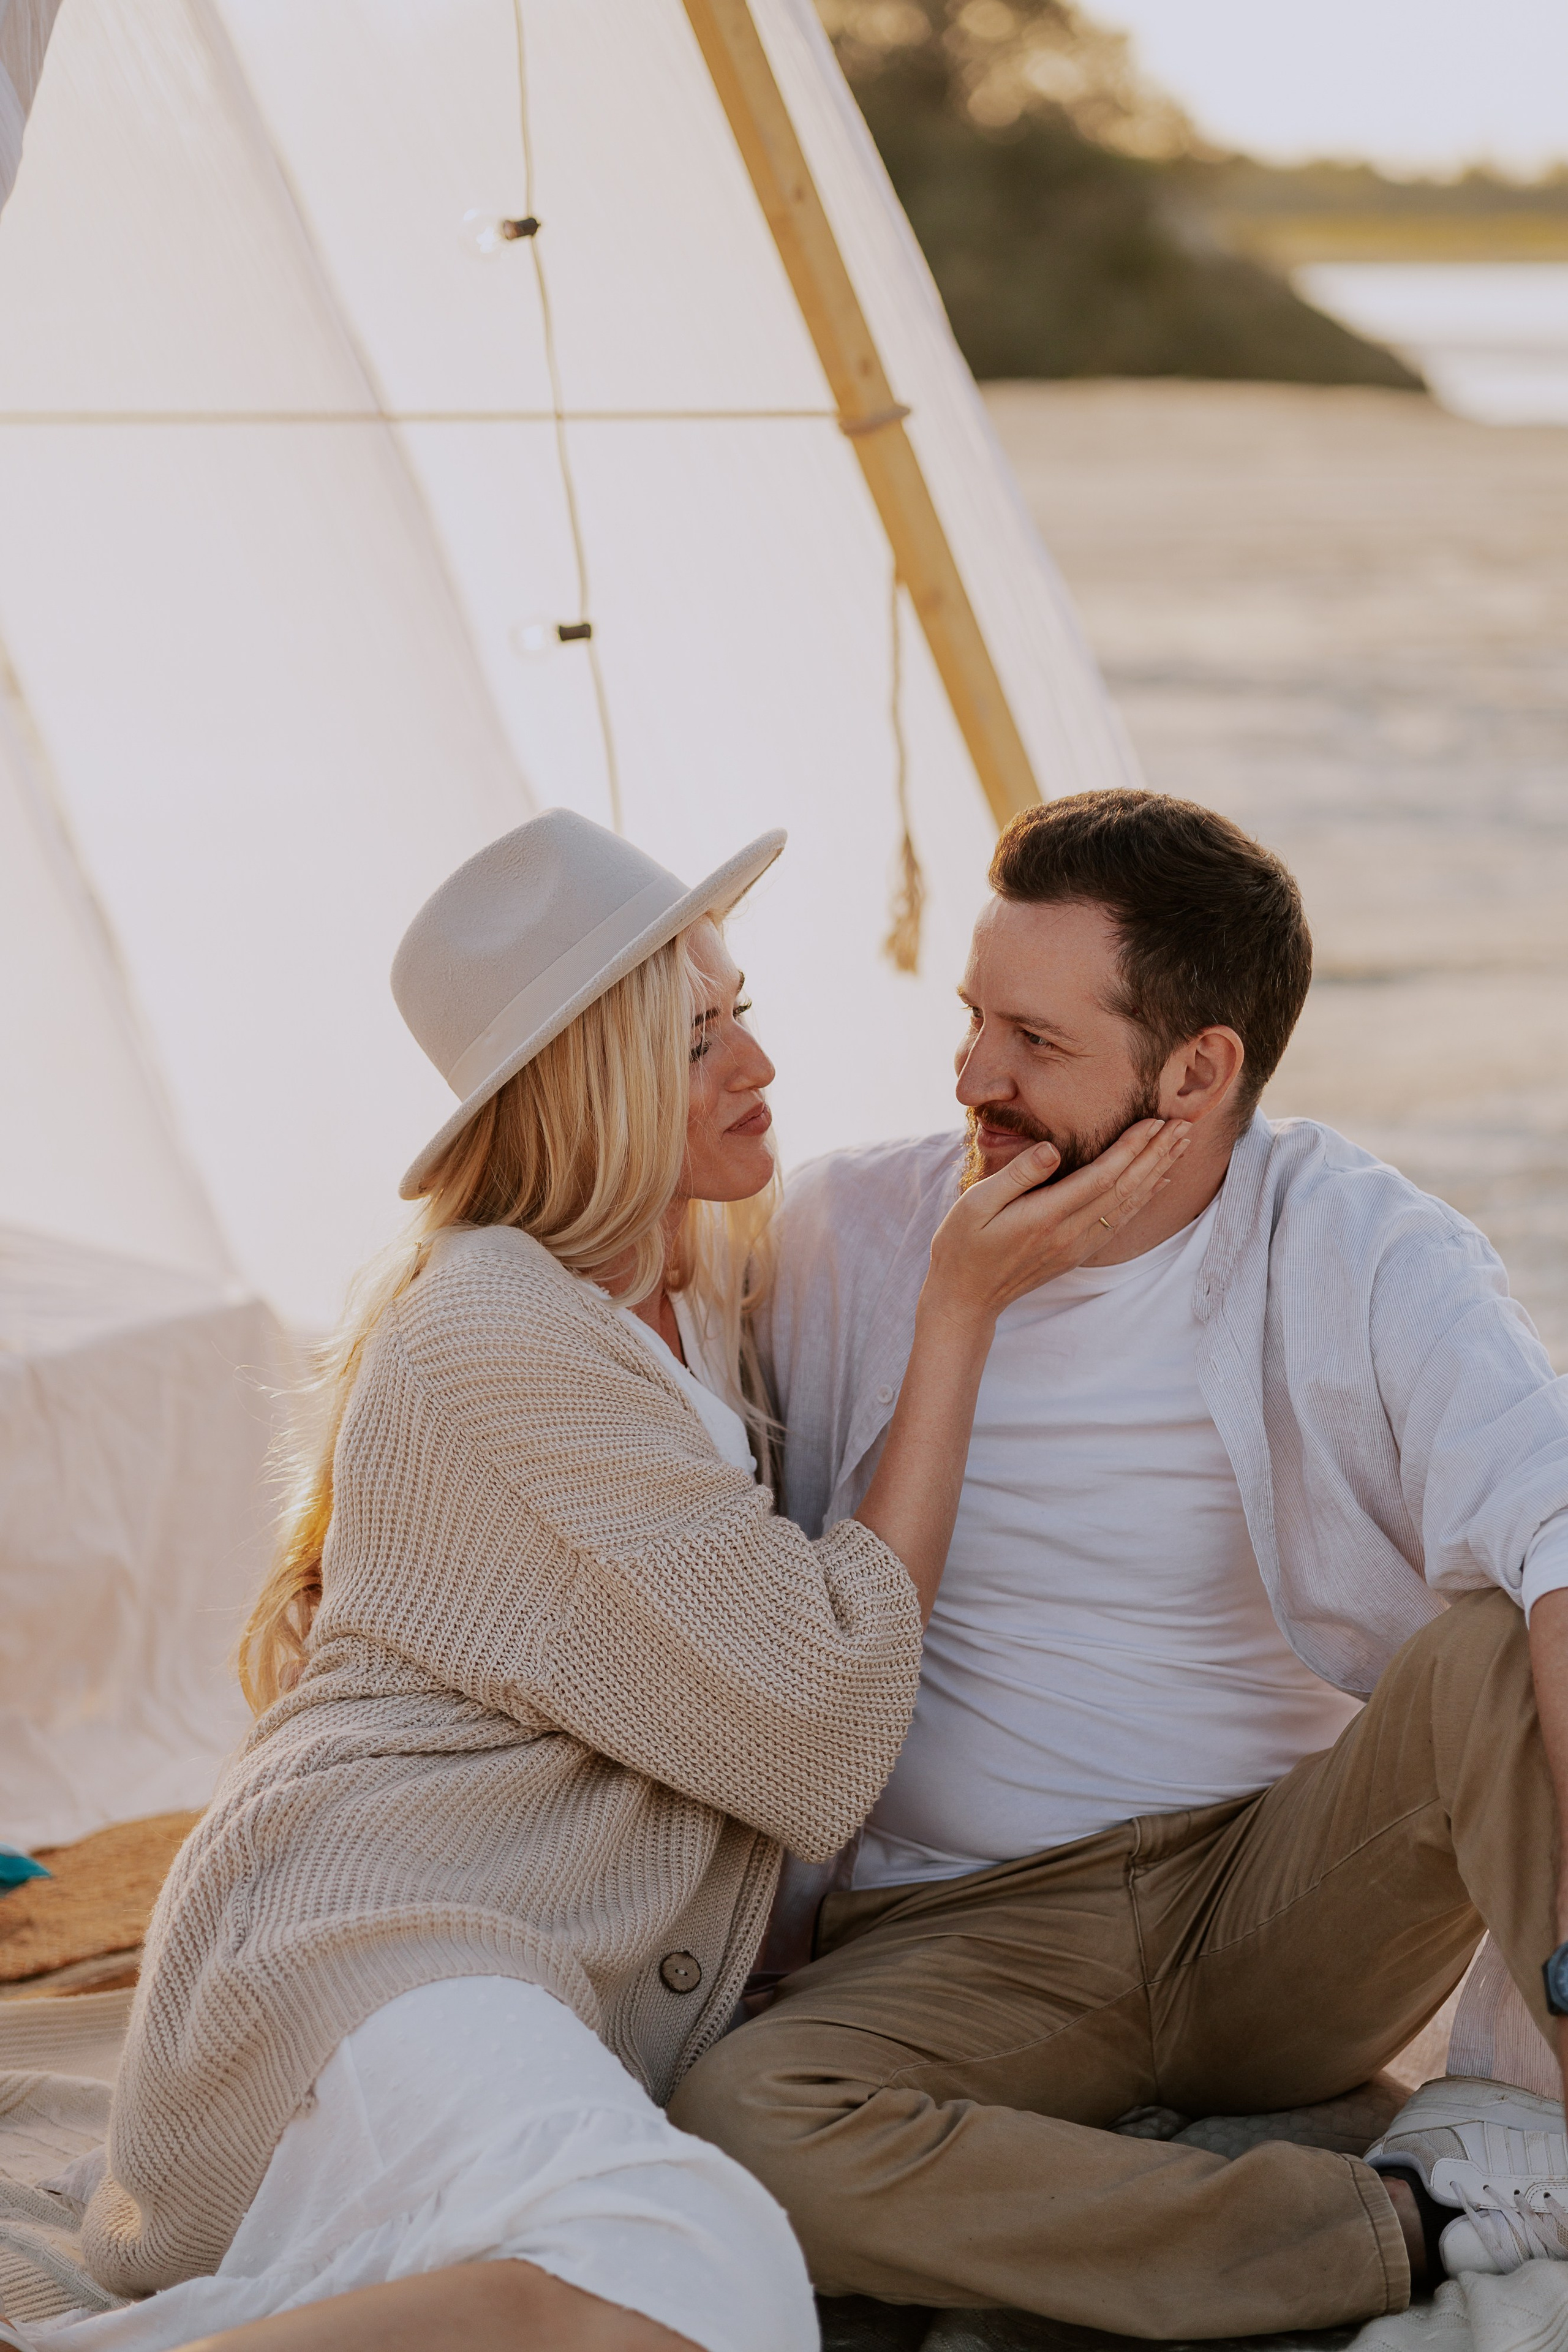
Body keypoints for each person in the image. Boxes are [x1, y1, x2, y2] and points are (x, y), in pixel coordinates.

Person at [31, 808, 1184, 2352]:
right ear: (589, 1088)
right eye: (694, 1038)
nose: (755, 1065)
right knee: (692, 2266)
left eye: (742, 1011)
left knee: (659, 2278)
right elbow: (815, 1724)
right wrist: (958, 1311)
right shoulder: (496, 1331)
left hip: (508, 1961)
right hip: (372, 1933)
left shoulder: (705, 1304)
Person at [671, 787, 1568, 2338]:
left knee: (1500, 1640)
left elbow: (1552, 1520)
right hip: (961, 1933)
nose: (971, 1075)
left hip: (1276, 1894)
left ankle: (1515, 2124)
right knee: (742, 2125)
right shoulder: (843, 1235)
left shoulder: (1350, 1245)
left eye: (1032, 1040)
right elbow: (652, 1466)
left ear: (1197, 1071)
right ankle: (1389, 2230)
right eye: (968, 1018)